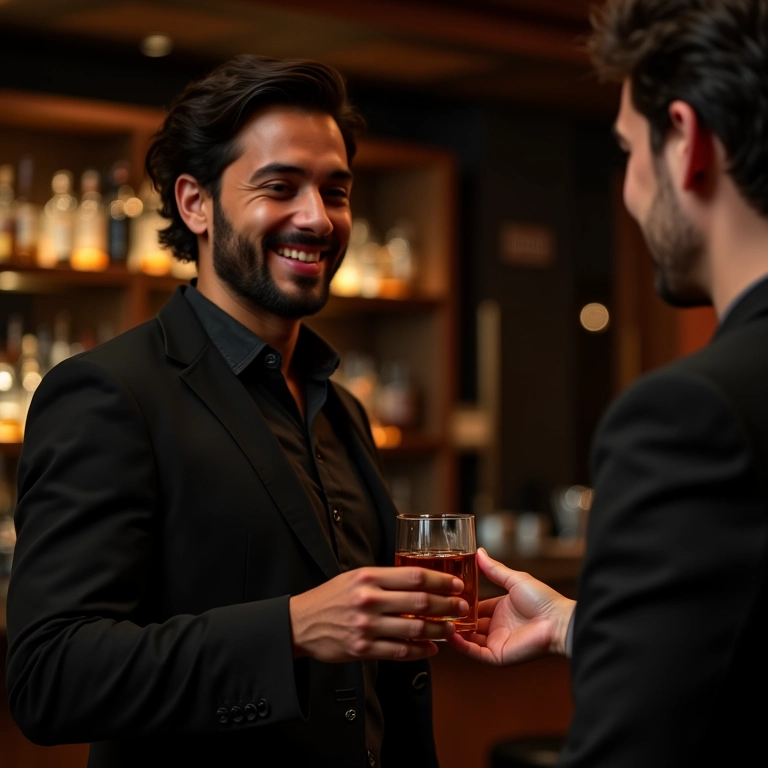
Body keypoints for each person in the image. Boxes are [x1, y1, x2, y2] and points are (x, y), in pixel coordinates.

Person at [5, 55, 468, 768]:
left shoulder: (341, 406)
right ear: (195, 204)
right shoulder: (108, 392)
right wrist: (289, 630)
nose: (317, 218)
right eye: (280, 187)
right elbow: (51, 677)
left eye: (336, 192)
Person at [449, 0, 768, 765]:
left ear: (687, 141)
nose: (627, 191)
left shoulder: (688, 414)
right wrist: (575, 623)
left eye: (627, 150)